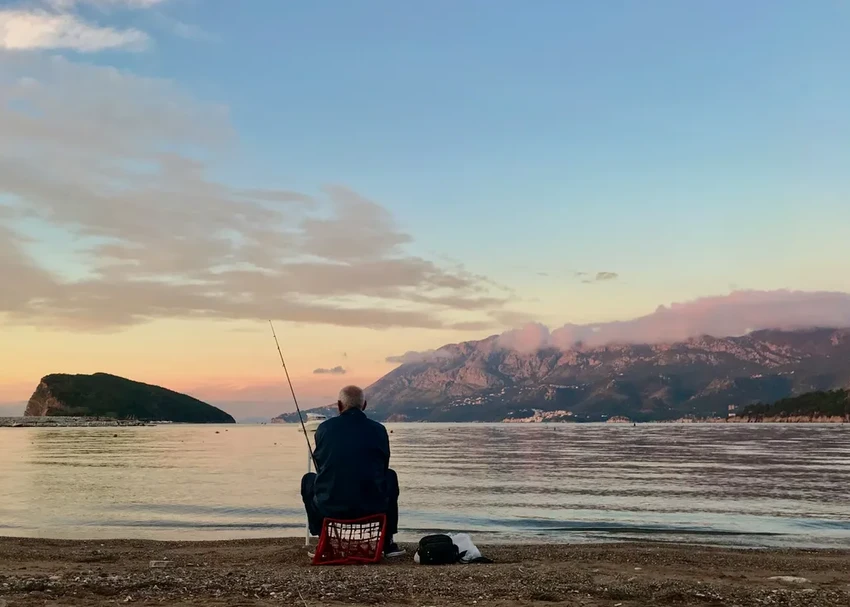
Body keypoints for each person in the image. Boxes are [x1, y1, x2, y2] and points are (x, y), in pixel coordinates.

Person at [300, 385, 404, 557]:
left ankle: (321, 539)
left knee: (308, 480)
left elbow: (322, 465)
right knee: (390, 476)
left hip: (331, 508)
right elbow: (383, 465)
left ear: (339, 406)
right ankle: (388, 542)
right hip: (372, 507)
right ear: (364, 405)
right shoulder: (378, 429)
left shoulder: (324, 429)